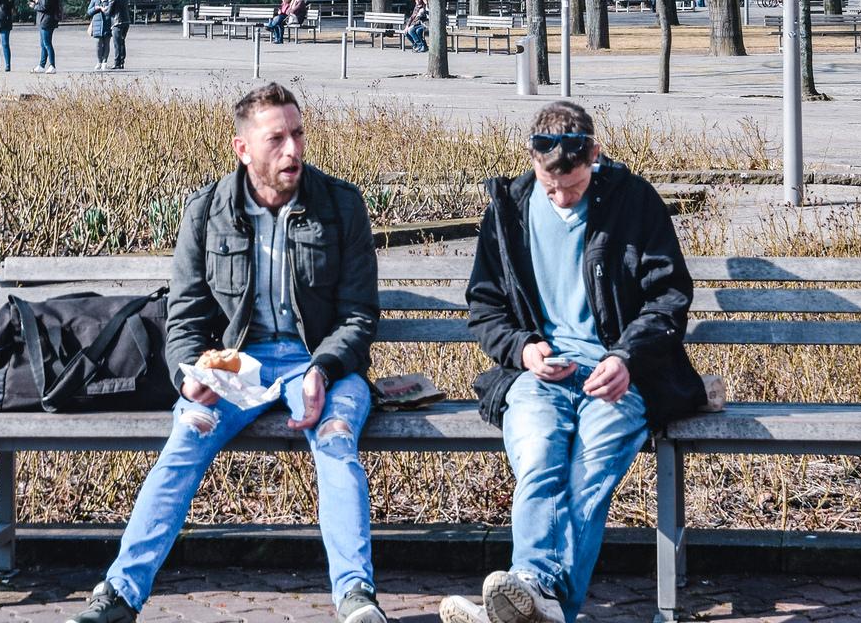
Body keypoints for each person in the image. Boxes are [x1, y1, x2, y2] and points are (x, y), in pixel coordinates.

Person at [66, 81, 386, 623]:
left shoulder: (339, 205)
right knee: (187, 433)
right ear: (243, 149)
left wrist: (325, 369)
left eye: (298, 135)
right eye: (276, 139)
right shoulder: (207, 211)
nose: (293, 151)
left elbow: (358, 316)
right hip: (241, 365)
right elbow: (186, 315)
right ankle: (119, 594)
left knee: (335, 441)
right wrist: (190, 373)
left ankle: (356, 598)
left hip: (323, 365)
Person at [441, 100, 706, 623]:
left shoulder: (633, 202)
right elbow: (485, 305)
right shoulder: (509, 208)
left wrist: (627, 357)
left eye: (574, 186)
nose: (562, 197)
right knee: (539, 457)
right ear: (532, 163)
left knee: (590, 469)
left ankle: (534, 595)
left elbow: (669, 296)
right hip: (538, 375)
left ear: (596, 157)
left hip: (620, 377)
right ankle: (545, 604)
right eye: (550, 186)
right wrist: (522, 348)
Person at [32, 0, 63, 72]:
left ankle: (52, 65)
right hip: (45, 20)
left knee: (47, 43)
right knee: (43, 44)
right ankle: (41, 65)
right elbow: (45, 4)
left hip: (46, 20)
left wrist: (34, 5)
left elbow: (44, 7)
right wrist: (38, 0)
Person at [106, 0, 132, 68]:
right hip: (126, 21)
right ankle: (121, 62)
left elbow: (109, 12)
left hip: (117, 22)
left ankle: (117, 63)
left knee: (117, 44)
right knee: (122, 42)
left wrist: (104, 9)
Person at [87, 0, 114, 70]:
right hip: (97, 24)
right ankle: (99, 61)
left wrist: (107, 9)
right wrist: (96, 8)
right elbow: (89, 11)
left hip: (107, 23)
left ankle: (104, 62)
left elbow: (113, 10)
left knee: (106, 43)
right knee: (98, 44)